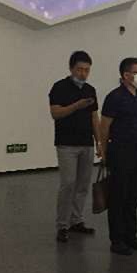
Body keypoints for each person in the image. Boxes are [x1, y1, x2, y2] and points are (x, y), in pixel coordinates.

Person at [99, 58, 137, 256]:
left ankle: (131, 235)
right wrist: (103, 151)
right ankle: (117, 239)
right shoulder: (115, 97)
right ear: (126, 75)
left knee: (134, 195)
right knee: (118, 197)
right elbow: (105, 126)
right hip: (120, 152)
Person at [48, 52, 101, 244]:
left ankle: (76, 220)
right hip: (66, 144)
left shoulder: (90, 90)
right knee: (68, 183)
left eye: (87, 70)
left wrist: (99, 142)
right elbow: (55, 113)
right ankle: (62, 225)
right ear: (71, 69)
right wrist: (76, 106)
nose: (83, 73)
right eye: (80, 69)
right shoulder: (59, 87)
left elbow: (94, 117)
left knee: (83, 185)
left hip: (86, 143)